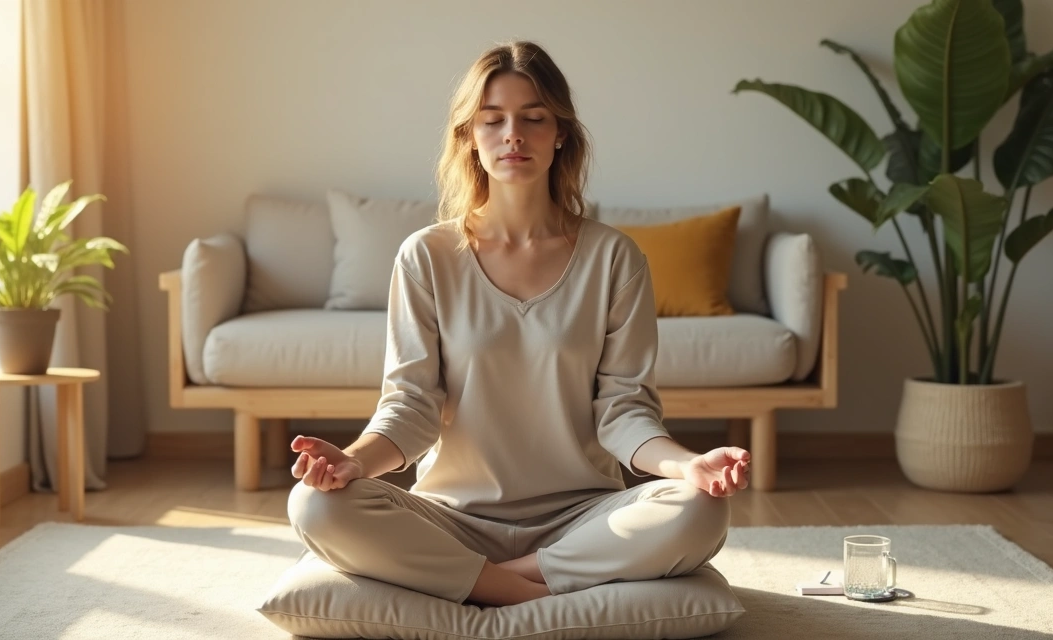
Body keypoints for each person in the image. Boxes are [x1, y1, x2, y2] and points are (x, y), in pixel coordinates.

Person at [286, 39, 751, 609]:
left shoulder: (614, 258)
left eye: (534, 118)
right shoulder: (425, 255)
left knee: (700, 506)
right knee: (313, 505)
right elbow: (411, 406)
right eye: (493, 120)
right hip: (453, 518)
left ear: (560, 134)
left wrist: (689, 465)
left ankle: (500, 578)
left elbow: (625, 411)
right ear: (469, 137)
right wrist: (354, 461)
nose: (514, 135)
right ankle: (518, 586)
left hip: (584, 516)